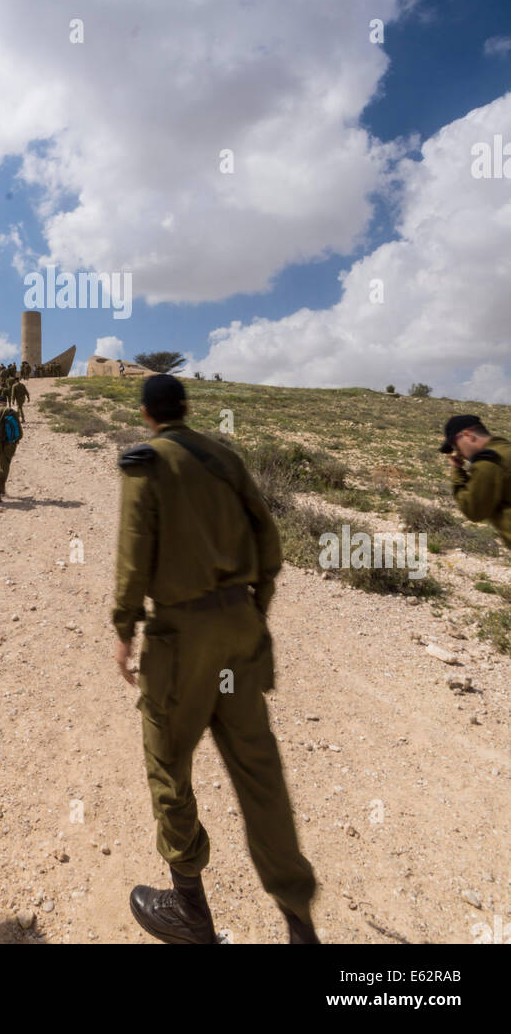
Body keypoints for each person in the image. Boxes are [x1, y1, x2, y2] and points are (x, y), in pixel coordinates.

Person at [113, 374, 317, 946]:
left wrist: (124, 629)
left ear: (149, 415)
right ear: (185, 408)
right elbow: (270, 548)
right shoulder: (226, 458)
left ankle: (188, 908)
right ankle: (299, 924)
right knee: (260, 777)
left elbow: (133, 557)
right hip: (239, 632)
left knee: (168, 763)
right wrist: (253, 610)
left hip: (184, 642)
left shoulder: (146, 464)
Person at [441, 415, 511, 548]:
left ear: (468, 435)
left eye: (456, 445)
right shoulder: (506, 449)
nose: (458, 452)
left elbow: (473, 510)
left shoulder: (489, 463)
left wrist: (457, 470)